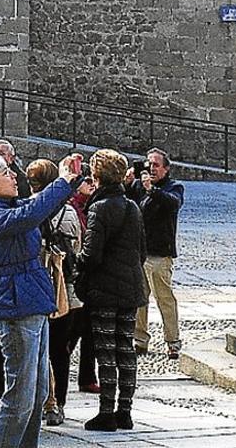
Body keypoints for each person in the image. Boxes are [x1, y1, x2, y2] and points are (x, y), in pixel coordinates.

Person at [0, 149, 81, 448]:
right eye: (6, 173)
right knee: (20, 394)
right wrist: (63, 182)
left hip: (30, 297)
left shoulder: (7, 205)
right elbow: (30, 214)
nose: (14, 176)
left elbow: (37, 208)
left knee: (38, 390)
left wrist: (67, 179)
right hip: (15, 303)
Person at [77, 149, 147, 431]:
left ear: (97, 176)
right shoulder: (132, 206)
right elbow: (141, 251)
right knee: (125, 349)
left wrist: (76, 261)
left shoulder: (100, 207)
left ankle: (107, 411)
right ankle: (125, 411)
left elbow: (92, 254)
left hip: (105, 288)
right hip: (130, 287)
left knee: (106, 350)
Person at [25, 159, 83, 426]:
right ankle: (58, 403)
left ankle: (37, 401)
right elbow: (78, 246)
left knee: (36, 348)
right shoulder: (69, 212)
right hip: (64, 287)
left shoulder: (27, 209)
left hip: (36, 285)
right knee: (60, 349)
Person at [126, 148, 185, 359]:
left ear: (166, 169)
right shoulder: (138, 186)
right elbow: (127, 204)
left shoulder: (174, 187)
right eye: (149, 164)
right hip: (139, 251)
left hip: (160, 253)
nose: (151, 169)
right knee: (139, 299)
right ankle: (140, 340)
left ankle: (173, 341)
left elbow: (172, 204)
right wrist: (126, 183)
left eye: (156, 165)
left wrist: (152, 190)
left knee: (165, 298)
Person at [67, 166, 100, 394]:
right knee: (70, 331)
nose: (91, 183)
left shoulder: (95, 206)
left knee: (89, 330)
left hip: (90, 278)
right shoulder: (71, 207)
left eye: (92, 179)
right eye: (85, 179)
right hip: (74, 277)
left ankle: (87, 376)